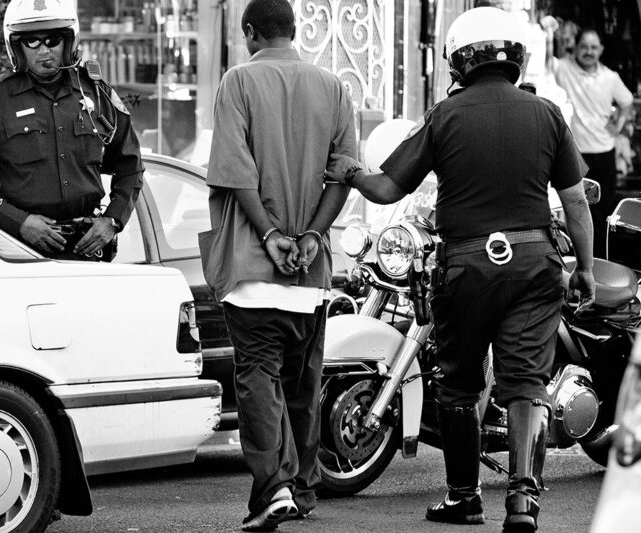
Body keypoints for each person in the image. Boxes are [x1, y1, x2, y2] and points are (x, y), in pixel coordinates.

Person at [326, 7, 595, 532]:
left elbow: (386, 189)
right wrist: (582, 269)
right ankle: (522, 504)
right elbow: (577, 202)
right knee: (525, 385)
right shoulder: (546, 115)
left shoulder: (445, 116)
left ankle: (464, 498)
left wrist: (349, 170)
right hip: (535, 266)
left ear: (458, 59)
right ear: (514, 56)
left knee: (459, 385)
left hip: (466, 266)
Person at [198, 0, 356, 529]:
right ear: (293, 31)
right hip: (309, 275)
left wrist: (268, 235)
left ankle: (274, 489)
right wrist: (310, 234)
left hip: (251, 270)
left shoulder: (238, 83)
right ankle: (304, 489)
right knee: (303, 383)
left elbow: (234, 171)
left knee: (258, 379)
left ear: (250, 33)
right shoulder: (334, 88)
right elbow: (343, 174)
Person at [0, 0, 144, 260]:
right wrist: (18, 221)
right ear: (16, 47)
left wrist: (112, 220)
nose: (44, 50)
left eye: (53, 40)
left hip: (87, 248)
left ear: (69, 42)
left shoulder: (98, 94)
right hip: (20, 250)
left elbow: (130, 165)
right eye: (32, 42)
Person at [553, 27, 634, 259]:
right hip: (575, 154)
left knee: (603, 212)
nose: (589, 52)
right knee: (575, 210)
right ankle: (578, 260)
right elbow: (546, 62)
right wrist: (552, 35)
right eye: (584, 47)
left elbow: (627, 101)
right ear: (575, 48)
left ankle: (599, 262)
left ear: (601, 50)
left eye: (593, 47)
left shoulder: (610, 77)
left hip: (604, 153)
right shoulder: (565, 68)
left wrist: (618, 126)